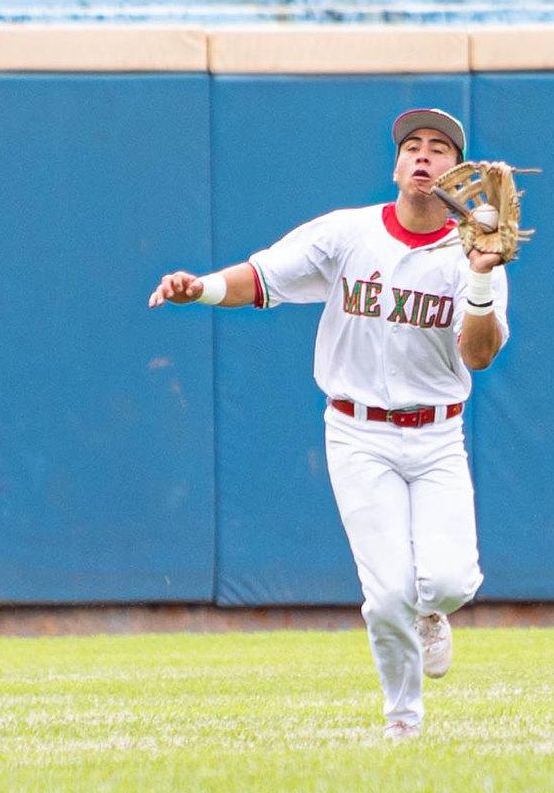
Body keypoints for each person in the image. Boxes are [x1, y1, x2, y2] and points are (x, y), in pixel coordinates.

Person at [148, 107, 510, 741]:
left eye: (439, 149)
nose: (423, 157)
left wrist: (480, 279)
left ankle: (435, 612)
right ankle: (403, 721)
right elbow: (263, 278)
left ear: (459, 172)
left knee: (447, 582)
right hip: (358, 432)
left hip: (436, 436)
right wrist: (198, 287)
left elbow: (479, 354)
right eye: (413, 147)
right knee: (387, 592)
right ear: (397, 166)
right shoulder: (348, 233)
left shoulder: (472, 252)